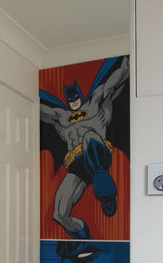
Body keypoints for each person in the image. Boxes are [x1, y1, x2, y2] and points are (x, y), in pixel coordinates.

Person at [39, 55, 129, 239]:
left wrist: (126, 66)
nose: (73, 100)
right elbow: (37, 107)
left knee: (89, 136)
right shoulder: (61, 116)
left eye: (76, 97)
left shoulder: (94, 104)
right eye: (70, 98)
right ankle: (83, 238)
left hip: (98, 153)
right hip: (78, 165)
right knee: (59, 214)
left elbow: (111, 84)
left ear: (80, 95)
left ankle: (105, 190)